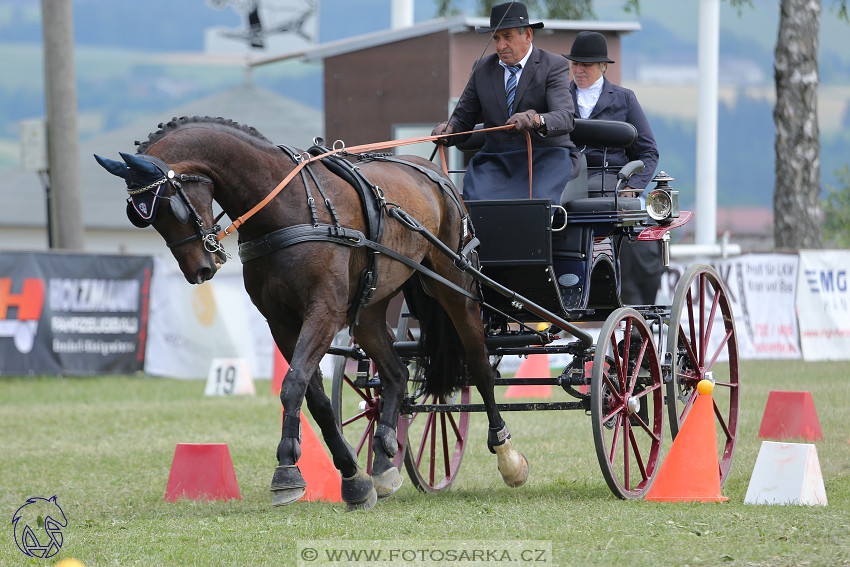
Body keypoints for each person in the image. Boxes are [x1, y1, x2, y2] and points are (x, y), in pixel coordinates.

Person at [431, 1, 576, 204]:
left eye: (507, 37)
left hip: (545, 157)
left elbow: (565, 117)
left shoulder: (553, 65)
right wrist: (449, 129)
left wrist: (534, 120)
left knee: (534, 210)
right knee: (476, 208)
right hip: (495, 160)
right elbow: (463, 119)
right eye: (496, 38)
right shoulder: (481, 68)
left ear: (527, 35)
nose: (501, 45)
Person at [564, 31, 663, 305]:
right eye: (575, 64)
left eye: (586, 64)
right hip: (566, 181)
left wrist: (634, 186)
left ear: (603, 66)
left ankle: (634, 301)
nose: (579, 69)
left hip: (613, 182)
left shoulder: (624, 99)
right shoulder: (559, 99)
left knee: (635, 229)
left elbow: (648, 151)